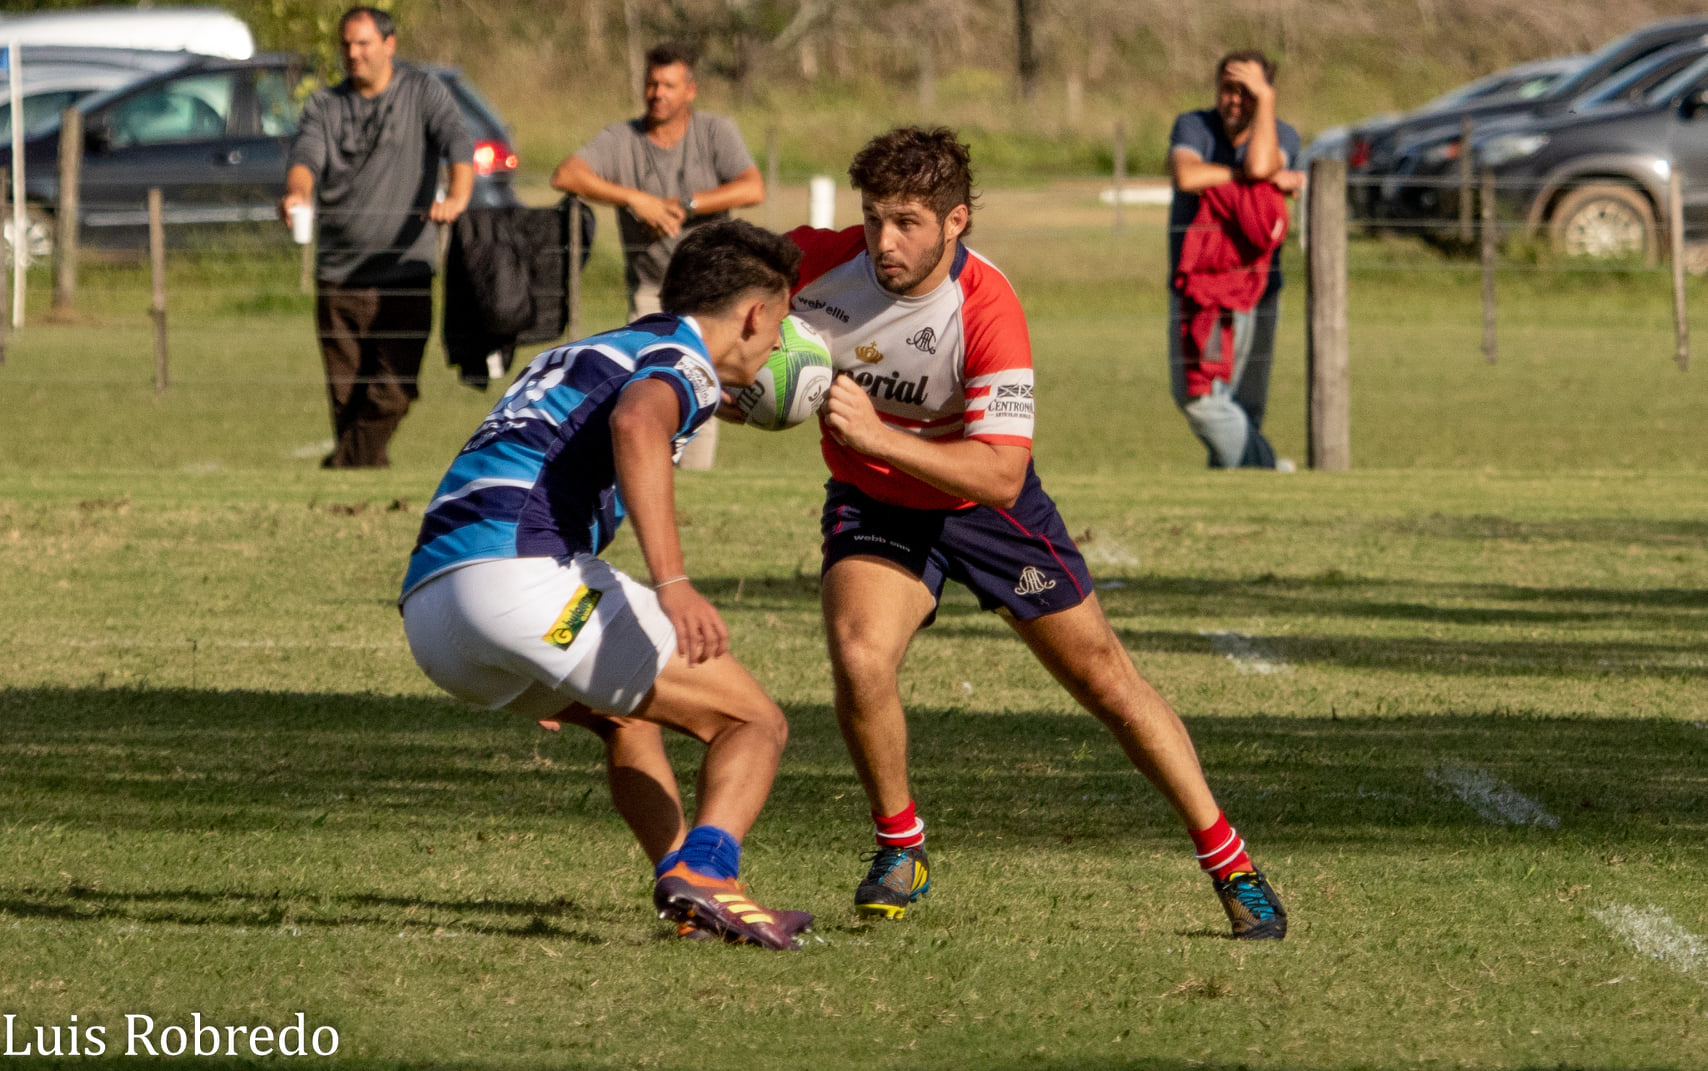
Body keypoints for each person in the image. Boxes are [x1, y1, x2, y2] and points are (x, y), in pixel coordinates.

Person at [786, 127, 1287, 939]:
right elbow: (717, 302)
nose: (884, 240)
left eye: (908, 221)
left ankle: (1232, 862)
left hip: (985, 506)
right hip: (876, 502)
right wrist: (741, 378)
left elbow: (1001, 475)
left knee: (1106, 682)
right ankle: (899, 844)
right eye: (875, 217)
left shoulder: (987, 306)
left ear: (956, 222)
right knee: (859, 653)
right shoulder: (812, 262)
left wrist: (877, 435)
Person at [399, 219, 811, 949]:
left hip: (435, 614)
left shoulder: (587, 349)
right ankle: (712, 871)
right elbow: (635, 422)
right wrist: (674, 581)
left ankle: (690, 892)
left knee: (628, 717)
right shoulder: (683, 365)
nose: (779, 342)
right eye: (780, 324)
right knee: (755, 722)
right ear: (753, 315)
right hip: (523, 582)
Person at [550, 42, 764, 471]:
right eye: (651, 83)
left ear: (690, 90)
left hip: (709, 296)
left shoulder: (714, 132)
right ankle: (645, 477)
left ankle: (695, 483)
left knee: (703, 387)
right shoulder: (621, 139)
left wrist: (686, 204)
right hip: (650, 292)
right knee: (647, 389)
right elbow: (566, 174)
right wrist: (635, 199)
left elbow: (752, 188)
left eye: (668, 84)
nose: (657, 93)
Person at [279, 6, 474, 469]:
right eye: (346, 44)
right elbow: (305, 158)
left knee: (396, 390)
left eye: (363, 43)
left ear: (389, 44)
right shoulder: (325, 105)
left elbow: (457, 142)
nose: (353, 53)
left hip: (405, 272)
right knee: (347, 401)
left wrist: (459, 196)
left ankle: (344, 468)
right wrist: (296, 195)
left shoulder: (423, 92)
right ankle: (358, 488)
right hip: (338, 275)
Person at [1166, 50, 1305, 470]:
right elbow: (1188, 176)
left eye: (1247, 92)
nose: (1234, 100)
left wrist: (1266, 102)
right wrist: (1247, 179)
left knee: (1245, 403)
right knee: (1203, 396)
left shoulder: (1283, 134)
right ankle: (1268, 471)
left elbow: (1262, 161)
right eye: (1228, 89)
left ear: (1266, 95)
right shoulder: (1194, 126)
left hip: (1260, 292)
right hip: (1202, 294)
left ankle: (1239, 485)